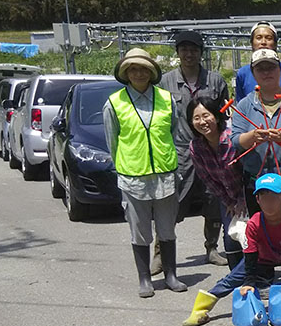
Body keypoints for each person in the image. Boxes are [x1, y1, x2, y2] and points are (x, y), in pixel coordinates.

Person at [184, 173, 281, 326]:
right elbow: (250, 254)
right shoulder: (254, 223)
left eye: (273, 197)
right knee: (230, 280)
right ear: (257, 200)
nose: (269, 203)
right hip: (262, 258)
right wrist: (249, 282)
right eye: (264, 197)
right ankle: (201, 309)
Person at [104, 48, 188, 298]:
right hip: (133, 178)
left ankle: (171, 275)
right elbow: (112, 142)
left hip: (165, 175)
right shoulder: (114, 103)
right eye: (133, 69)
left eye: (143, 69)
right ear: (126, 73)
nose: (138, 73)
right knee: (140, 231)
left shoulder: (166, 99)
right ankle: (144, 278)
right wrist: (124, 167)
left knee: (167, 229)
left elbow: (174, 132)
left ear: (151, 72)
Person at [156, 30, 231, 276]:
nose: (189, 54)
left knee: (213, 200)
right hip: (180, 153)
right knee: (173, 203)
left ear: (201, 53)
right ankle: (160, 253)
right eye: (184, 49)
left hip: (211, 152)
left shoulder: (215, 81)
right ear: (178, 53)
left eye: (194, 49)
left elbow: (224, 116)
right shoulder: (165, 82)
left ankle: (212, 247)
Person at [230, 49, 281, 220]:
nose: (266, 72)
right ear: (253, 73)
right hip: (256, 177)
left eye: (271, 67)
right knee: (260, 226)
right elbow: (236, 141)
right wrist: (252, 136)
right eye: (260, 69)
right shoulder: (245, 105)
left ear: (280, 69)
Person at [185, 96, 246, 272]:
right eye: (196, 118)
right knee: (230, 238)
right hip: (227, 199)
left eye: (206, 116)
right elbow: (207, 179)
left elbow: (250, 172)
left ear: (217, 116)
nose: (202, 122)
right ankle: (237, 277)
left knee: (251, 238)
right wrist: (229, 202)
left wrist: (242, 201)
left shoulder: (233, 139)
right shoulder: (196, 146)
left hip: (249, 195)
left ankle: (257, 276)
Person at [234, 21, 281, 100]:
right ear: (252, 43)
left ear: (275, 44)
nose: (263, 42)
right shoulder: (242, 74)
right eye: (258, 38)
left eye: (268, 38)